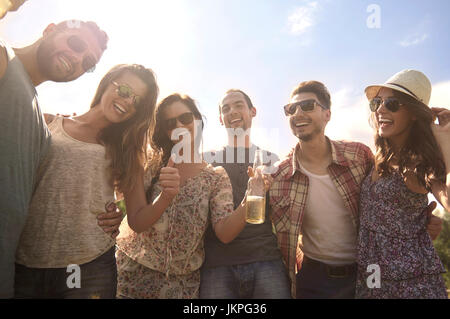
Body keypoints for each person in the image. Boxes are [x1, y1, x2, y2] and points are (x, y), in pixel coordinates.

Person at [268, 80, 444, 299]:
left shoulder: (359, 155)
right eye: (291, 109)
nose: (297, 113)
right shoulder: (279, 175)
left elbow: (393, 196)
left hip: (366, 272)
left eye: (307, 106)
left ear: (327, 114)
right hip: (314, 278)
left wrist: (418, 224)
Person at [13, 64, 159, 299]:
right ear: (107, 83)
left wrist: (119, 210)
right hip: (27, 259)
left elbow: (137, 217)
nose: (128, 101)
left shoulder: (127, 149)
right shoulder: (49, 123)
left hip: (89, 266)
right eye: (124, 90)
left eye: (137, 101)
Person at [0, 19, 109, 299]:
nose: (77, 59)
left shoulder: (37, 112)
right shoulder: (3, 60)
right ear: (49, 29)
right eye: (75, 43)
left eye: (88, 63)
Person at [116, 93, 255, 299]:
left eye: (186, 118)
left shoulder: (215, 176)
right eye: (170, 123)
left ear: (198, 120)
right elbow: (136, 222)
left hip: (183, 284)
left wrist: (251, 198)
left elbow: (225, 233)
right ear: (164, 130)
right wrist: (164, 197)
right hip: (135, 274)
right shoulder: (148, 164)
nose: (180, 125)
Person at [356, 69, 449, 299]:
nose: (380, 109)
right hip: (372, 279)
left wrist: (443, 137)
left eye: (392, 103)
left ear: (414, 113)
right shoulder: (377, 159)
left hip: (412, 286)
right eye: (377, 102)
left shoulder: (419, 164)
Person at [200, 89, 291, 299]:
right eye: (226, 108)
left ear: (253, 111)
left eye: (239, 105)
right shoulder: (207, 161)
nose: (232, 111)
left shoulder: (270, 159)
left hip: (265, 258)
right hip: (217, 264)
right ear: (221, 120)